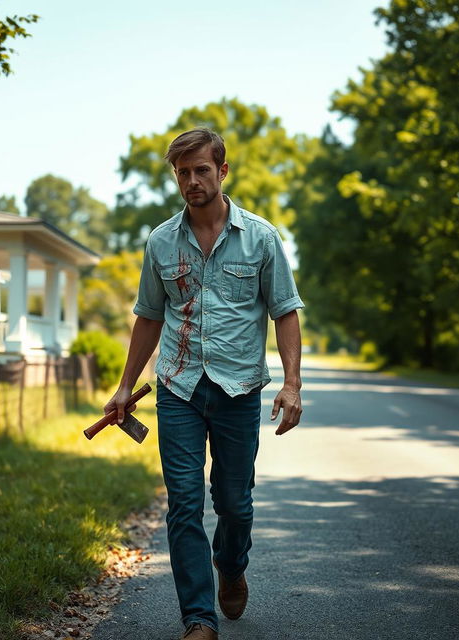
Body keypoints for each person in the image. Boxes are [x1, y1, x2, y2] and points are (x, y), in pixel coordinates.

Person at [104, 127, 304, 640]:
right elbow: (149, 317)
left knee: (235, 503)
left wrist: (292, 383)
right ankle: (198, 619)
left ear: (222, 172)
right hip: (178, 388)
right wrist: (126, 386)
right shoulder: (160, 241)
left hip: (238, 389)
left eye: (201, 170)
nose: (192, 180)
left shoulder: (261, 238)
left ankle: (231, 566)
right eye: (183, 172)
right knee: (184, 503)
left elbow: (285, 311)